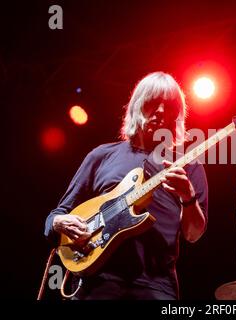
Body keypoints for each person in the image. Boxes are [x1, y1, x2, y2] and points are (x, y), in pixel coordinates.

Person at [44, 72, 208, 300]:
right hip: (95, 283)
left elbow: (193, 234)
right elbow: (57, 215)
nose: (161, 111)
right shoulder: (101, 156)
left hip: (155, 287)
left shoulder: (188, 165)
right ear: (137, 106)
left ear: (176, 116)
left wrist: (188, 197)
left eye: (169, 106)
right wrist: (58, 222)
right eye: (153, 102)